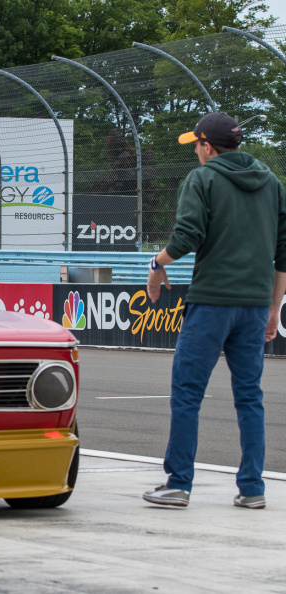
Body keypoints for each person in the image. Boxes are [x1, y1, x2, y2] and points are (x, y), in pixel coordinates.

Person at [143, 112, 286, 509]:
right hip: (256, 304)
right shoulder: (272, 182)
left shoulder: (202, 179)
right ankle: (253, 488)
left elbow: (188, 235)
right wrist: (274, 309)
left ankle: (178, 483)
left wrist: (157, 264)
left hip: (212, 302)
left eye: (196, 144)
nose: (194, 151)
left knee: (188, 392)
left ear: (208, 146)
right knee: (249, 397)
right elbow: (282, 253)